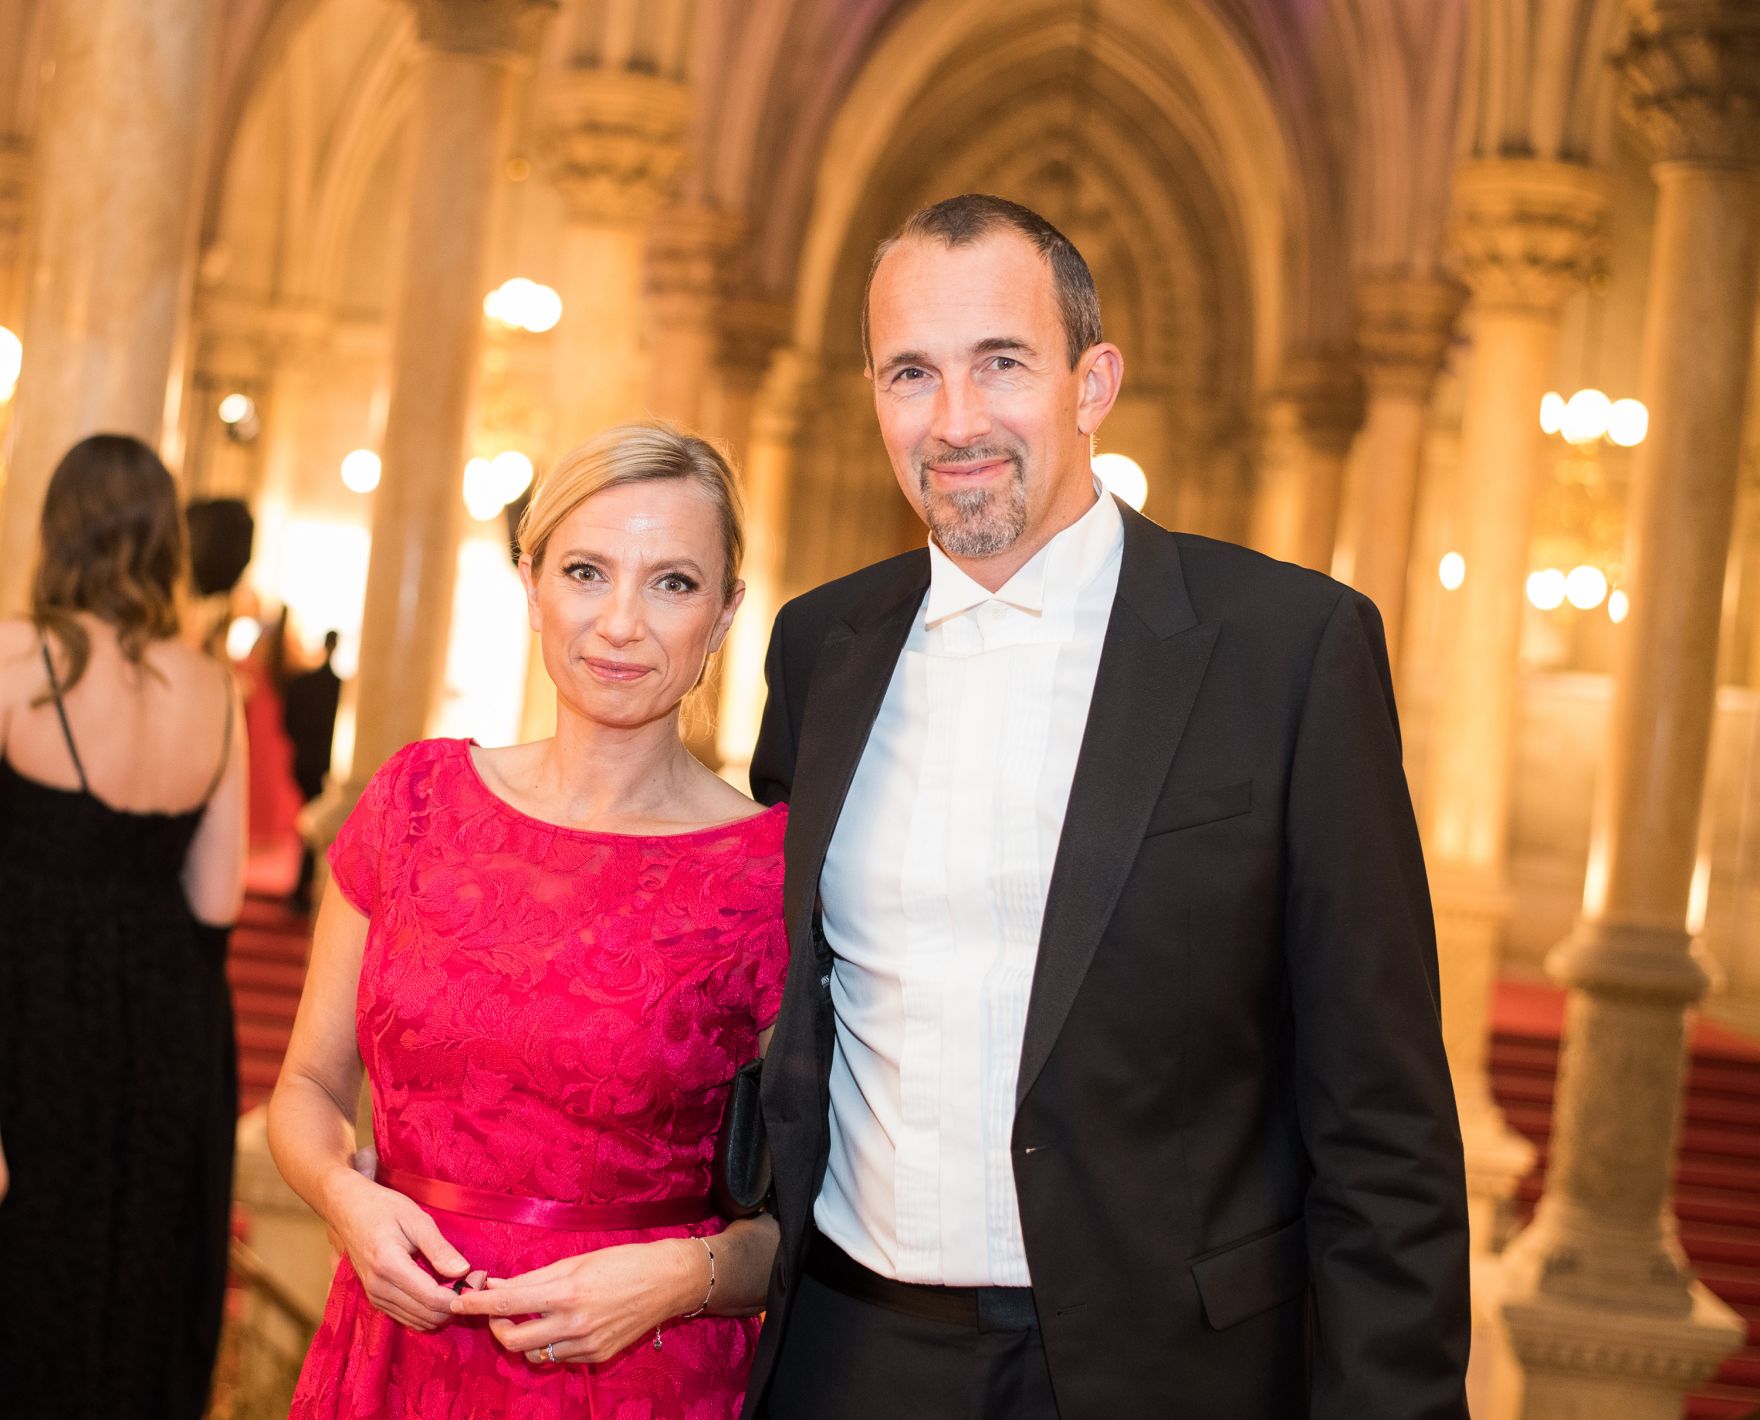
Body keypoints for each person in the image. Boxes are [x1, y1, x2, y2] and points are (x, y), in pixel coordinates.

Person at [744, 194, 1471, 1419]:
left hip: (1163, 1371)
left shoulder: (1288, 651)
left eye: (1002, 364)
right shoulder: (819, 646)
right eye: (910, 373)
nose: (955, 420)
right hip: (849, 1353)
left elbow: (1382, 1120)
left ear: (1092, 382)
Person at [270, 422, 787, 1419]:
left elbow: (822, 1219)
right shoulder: (414, 800)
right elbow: (302, 1086)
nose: (621, 623)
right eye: (587, 570)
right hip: (392, 1349)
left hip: (637, 1376)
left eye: (672, 583)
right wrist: (344, 1199)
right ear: (530, 584)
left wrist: (685, 1277)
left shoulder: (767, 867)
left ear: (723, 617)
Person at [0, 433, 247, 1418]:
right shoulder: (211, 686)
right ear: (163, 544)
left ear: (60, 528)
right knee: (130, 1295)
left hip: (28, 1015)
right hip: (167, 1026)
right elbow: (217, 900)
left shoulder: (14, 653)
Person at [283, 628, 343, 909]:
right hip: (320, 763)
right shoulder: (338, 688)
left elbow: (288, 723)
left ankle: (301, 887)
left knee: (310, 822)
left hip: (305, 761)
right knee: (313, 824)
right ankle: (303, 887)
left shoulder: (304, 684)